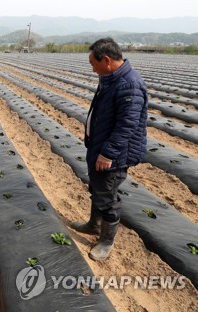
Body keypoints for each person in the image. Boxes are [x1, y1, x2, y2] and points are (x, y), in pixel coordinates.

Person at [70, 37, 148, 261]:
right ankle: (94, 225)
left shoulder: (129, 85)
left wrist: (107, 153)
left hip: (113, 154)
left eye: (93, 64)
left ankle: (106, 241)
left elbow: (127, 126)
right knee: (97, 188)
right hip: (100, 146)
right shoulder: (111, 78)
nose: (93, 69)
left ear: (106, 60)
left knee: (107, 195)